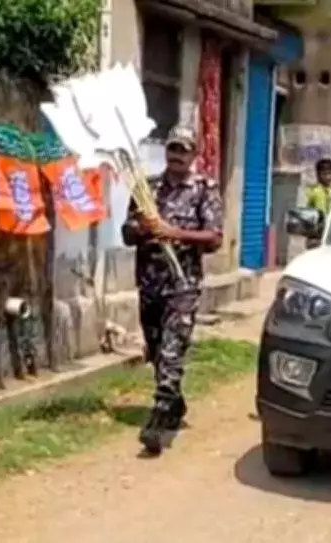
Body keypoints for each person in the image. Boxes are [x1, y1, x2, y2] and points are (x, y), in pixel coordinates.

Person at [121, 125, 223, 455]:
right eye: (173, 149)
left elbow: (213, 238)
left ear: (194, 155)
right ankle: (174, 401)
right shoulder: (146, 188)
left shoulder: (205, 188)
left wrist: (173, 232)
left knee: (171, 349)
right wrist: (139, 228)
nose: (177, 156)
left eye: (184, 150)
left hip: (183, 285)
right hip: (150, 284)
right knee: (155, 348)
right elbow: (126, 233)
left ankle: (159, 419)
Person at [304, 157, 331, 248]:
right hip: (317, 235)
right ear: (318, 175)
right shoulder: (316, 192)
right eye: (324, 174)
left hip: (328, 233)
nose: (328, 177)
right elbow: (322, 214)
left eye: (330, 174)